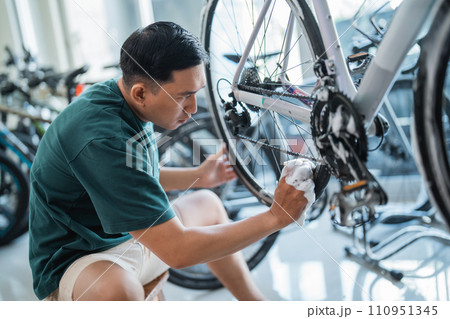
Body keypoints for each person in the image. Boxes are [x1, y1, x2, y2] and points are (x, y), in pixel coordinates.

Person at [29, 21, 310, 301]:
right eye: (184, 97)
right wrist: (275, 217)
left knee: (208, 204)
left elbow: (130, 176)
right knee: (117, 290)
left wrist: (199, 175)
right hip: (78, 261)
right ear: (141, 93)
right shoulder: (101, 137)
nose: (193, 108)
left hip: (126, 238)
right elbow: (178, 251)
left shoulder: (124, 97)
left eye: (196, 92)